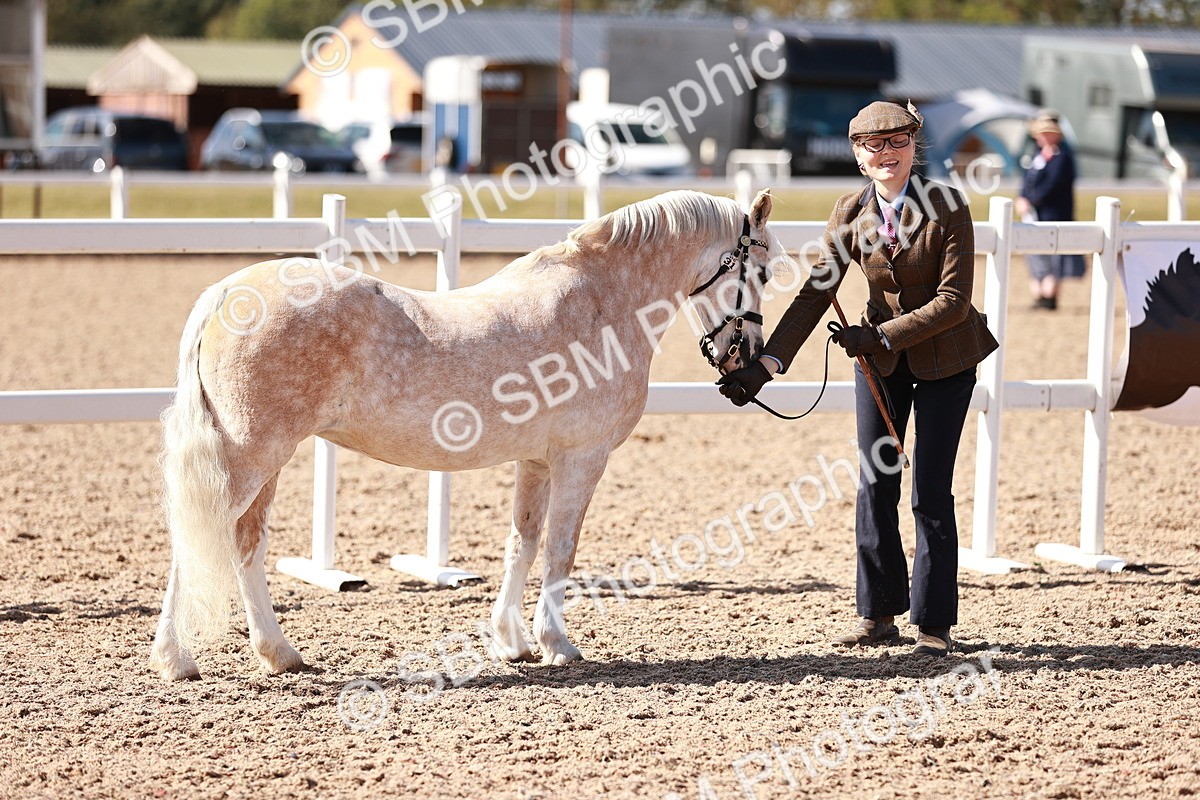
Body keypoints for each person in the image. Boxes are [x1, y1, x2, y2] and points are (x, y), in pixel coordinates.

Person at [717, 101, 999, 657]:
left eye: (896, 143)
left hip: (946, 359)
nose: (885, 154)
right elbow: (816, 292)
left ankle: (935, 625)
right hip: (880, 365)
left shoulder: (947, 206)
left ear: (914, 145)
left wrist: (884, 335)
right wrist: (765, 367)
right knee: (876, 483)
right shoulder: (849, 212)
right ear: (857, 154)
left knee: (930, 491)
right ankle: (876, 614)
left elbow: (953, 301)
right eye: (873, 146)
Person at [1015, 112, 1085, 310]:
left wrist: (1032, 200)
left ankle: (1050, 294)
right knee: (1035, 254)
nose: (1042, 137)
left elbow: (1054, 184)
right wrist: (1022, 198)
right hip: (1033, 215)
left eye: (1047, 132)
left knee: (1053, 255)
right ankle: (1038, 293)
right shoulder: (1035, 157)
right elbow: (1027, 181)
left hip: (1054, 214)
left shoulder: (1062, 158)